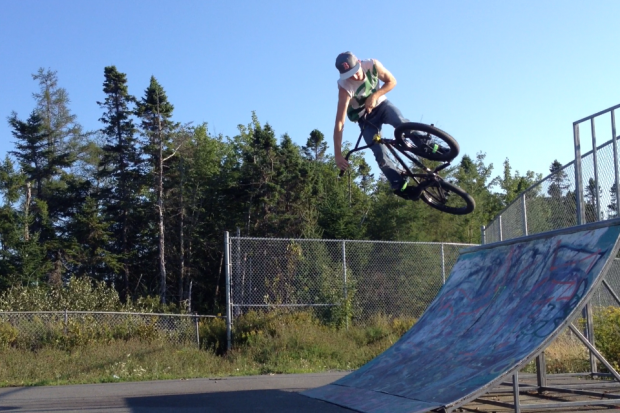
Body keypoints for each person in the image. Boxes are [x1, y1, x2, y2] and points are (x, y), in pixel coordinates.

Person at [333, 51, 422, 200]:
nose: (354, 77)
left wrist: (375, 96)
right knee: (379, 152)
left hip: (382, 105)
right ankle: (399, 185)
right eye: (349, 75)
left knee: (401, 123)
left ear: (359, 63)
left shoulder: (372, 65)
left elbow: (392, 81)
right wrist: (338, 154)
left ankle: (427, 145)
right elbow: (340, 122)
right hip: (365, 119)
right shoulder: (344, 87)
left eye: (355, 72)